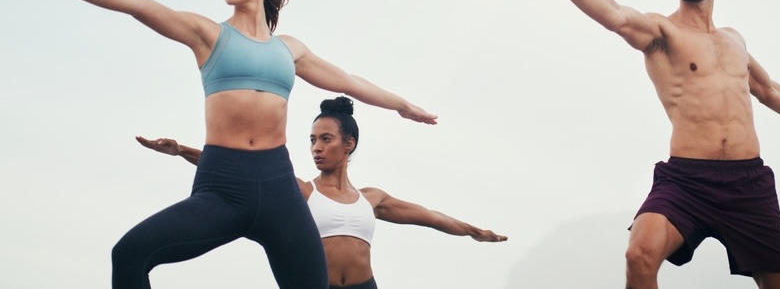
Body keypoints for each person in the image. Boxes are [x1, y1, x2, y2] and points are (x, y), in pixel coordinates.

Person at [14, 0, 437, 289]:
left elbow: (348, 80)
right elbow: (137, 5)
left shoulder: (288, 50)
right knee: (129, 254)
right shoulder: (208, 34)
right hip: (223, 187)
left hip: (278, 191)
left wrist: (401, 105)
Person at [525, 0, 780, 289]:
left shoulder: (733, 40)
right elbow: (616, 16)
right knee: (639, 255)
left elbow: (768, 90)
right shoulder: (662, 31)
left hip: (748, 185)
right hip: (687, 181)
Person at [137, 95, 506, 289]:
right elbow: (240, 170)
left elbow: (430, 217)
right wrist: (182, 150)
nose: (316, 147)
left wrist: (475, 231)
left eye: (325, 139)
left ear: (349, 143)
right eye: (312, 140)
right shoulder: (299, 189)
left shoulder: (371, 198)